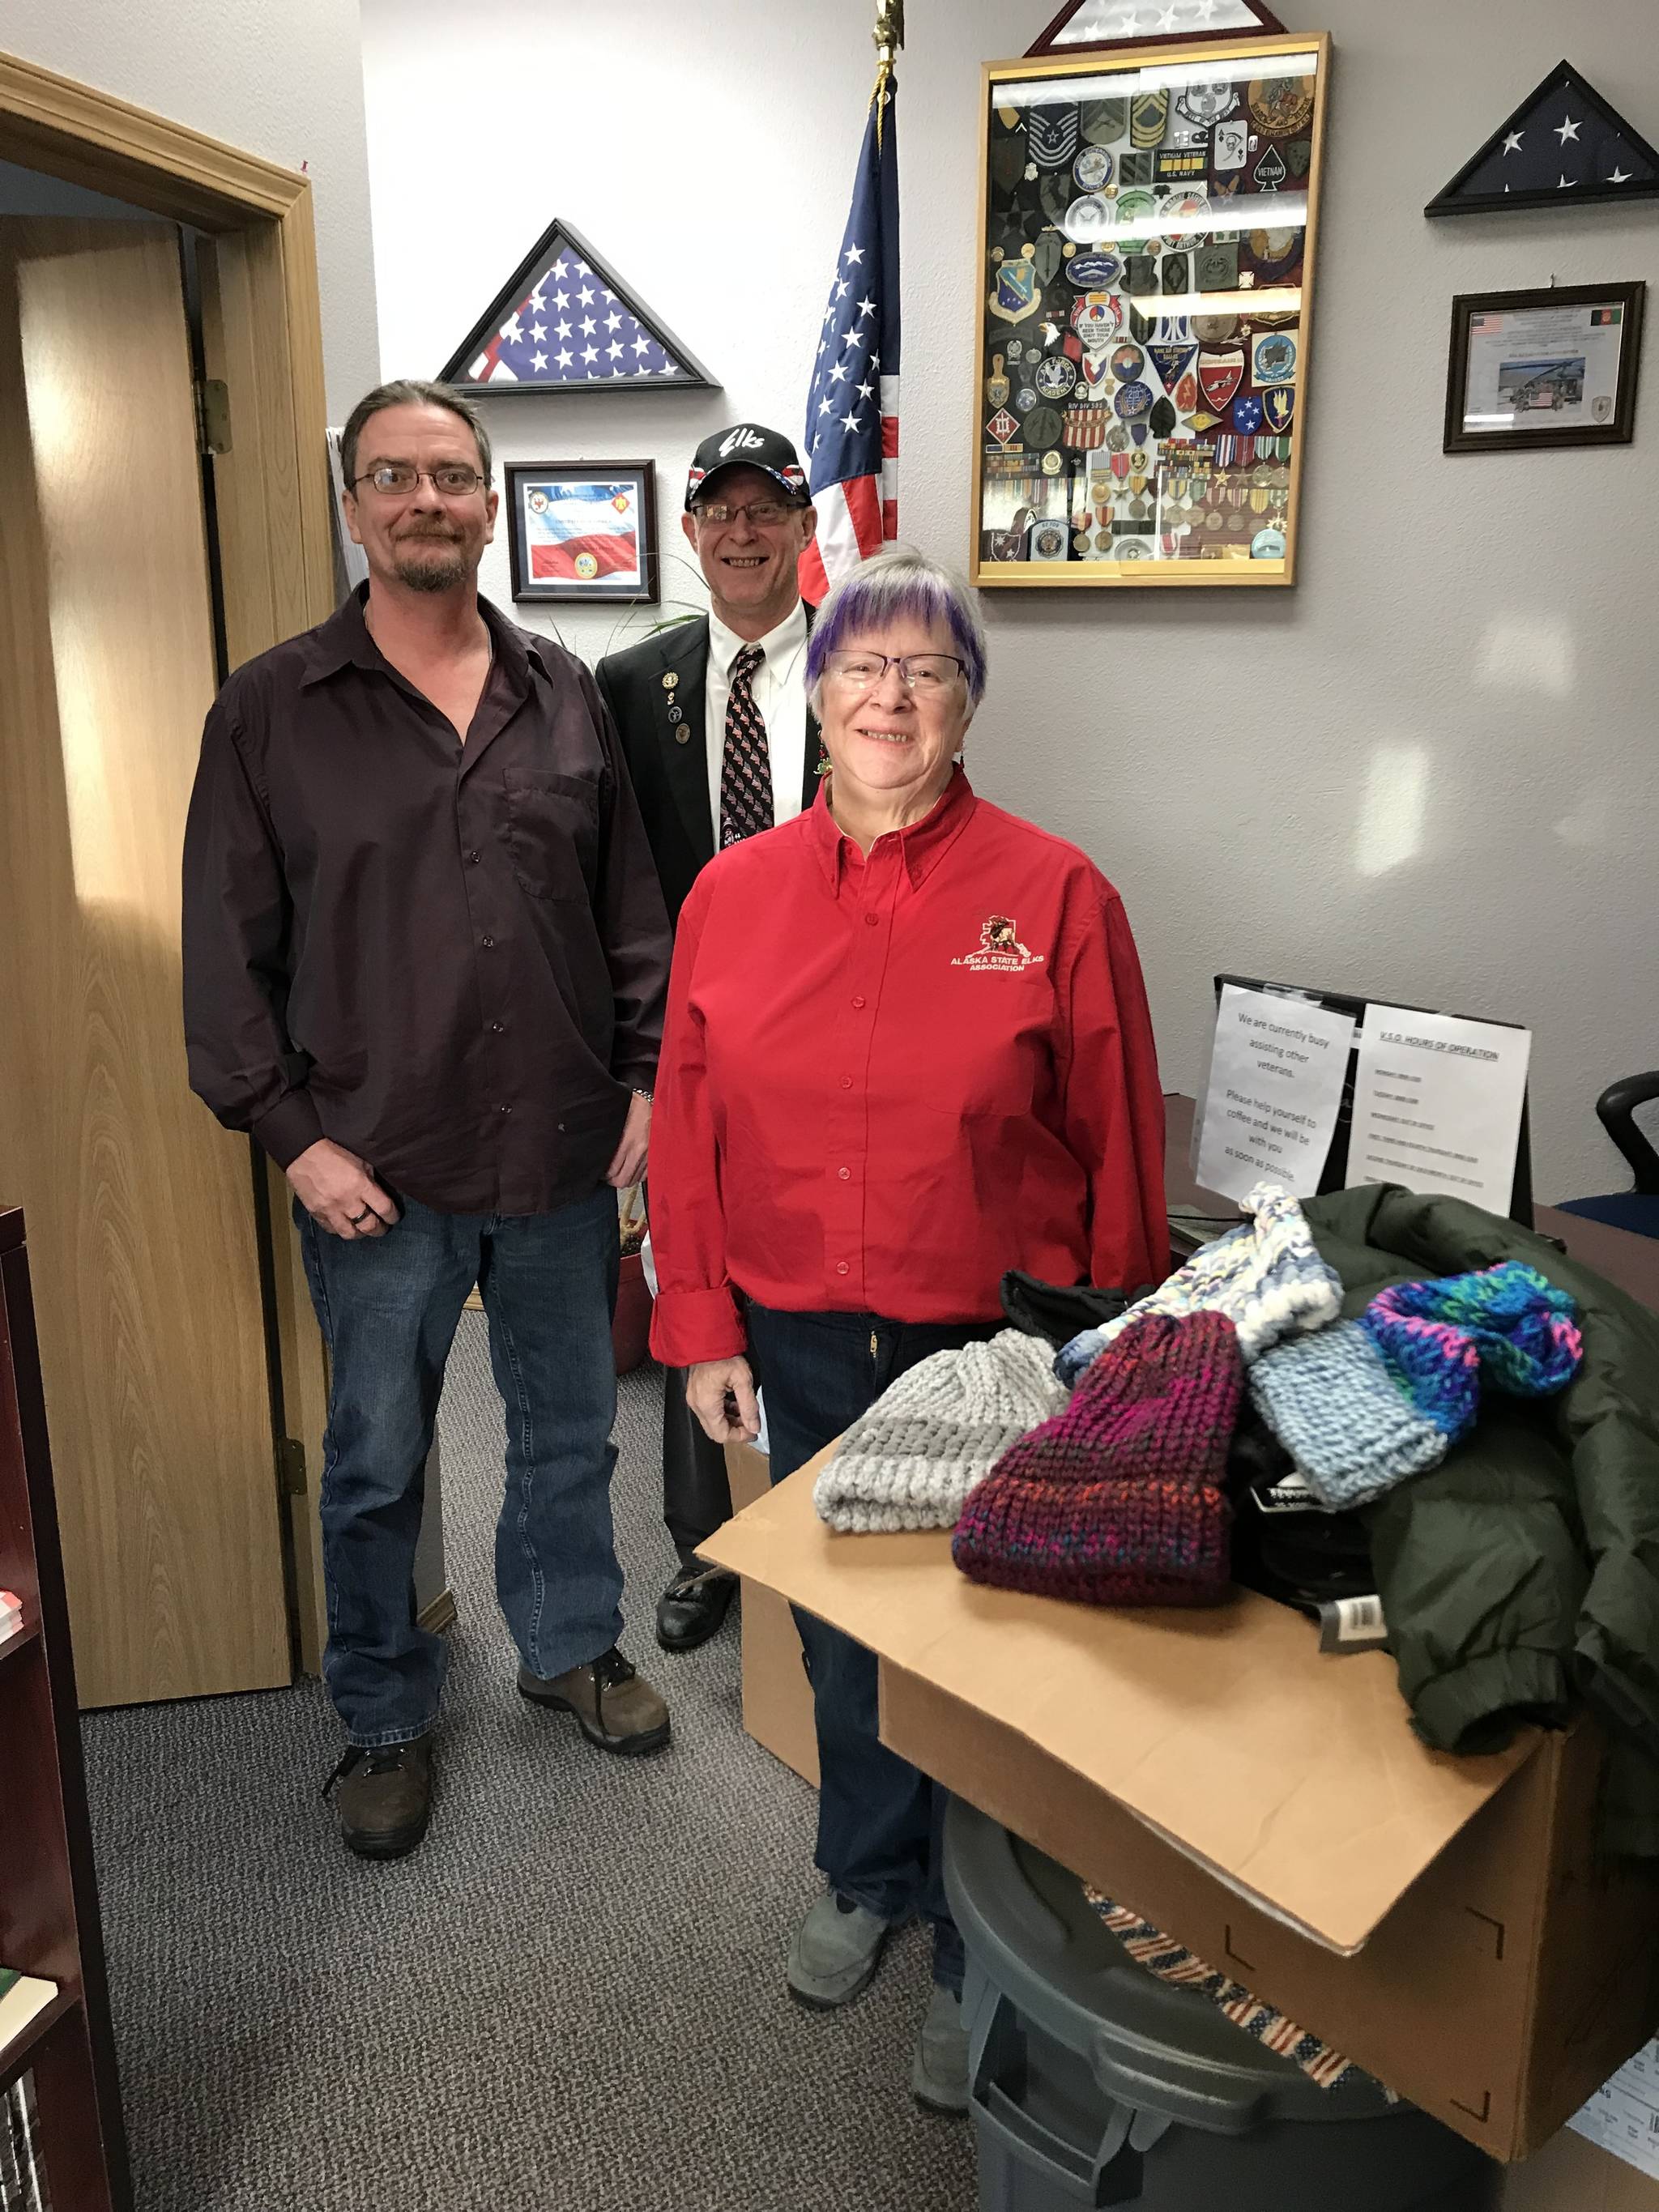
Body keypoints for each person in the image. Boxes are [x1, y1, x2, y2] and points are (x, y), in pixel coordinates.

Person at [646, 545, 1166, 2111]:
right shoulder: (732, 897)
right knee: (845, 1637)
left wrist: (1115, 1358)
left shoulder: (1056, 892)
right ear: (814, 693)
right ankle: (867, 1871)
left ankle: (971, 1942)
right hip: (798, 1336)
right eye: (863, 665)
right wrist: (700, 1328)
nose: (890, 694)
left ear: (965, 702)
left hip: (988, 1350)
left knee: (988, 1660)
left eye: (926, 670)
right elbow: (684, 1121)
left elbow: (1123, 1142)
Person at [182, 377, 675, 1863]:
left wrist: (646, 1080)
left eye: (452, 476)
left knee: (569, 1432)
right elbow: (225, 955)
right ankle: (385, 1719)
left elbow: (629, 910)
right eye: (393, 477)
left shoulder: (563, 689)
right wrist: (293, 1138)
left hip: (558, 1152)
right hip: (373, 1170)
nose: (425, 501)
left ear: (489, 500)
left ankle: (568, 1645)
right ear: (353, 505)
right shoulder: (273, 707)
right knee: (378, 1459)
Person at [595, 424, 821, 1655]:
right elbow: (609, 887)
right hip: (692, 1048)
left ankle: (825, 1525)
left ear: (804, 526)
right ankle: (707, 1550)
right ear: (691, 532)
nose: (742, 531)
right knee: (697, 1278)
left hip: (835, 1045)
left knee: (827, 1286)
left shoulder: (867, 665)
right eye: (719, 511)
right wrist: (633, 1064)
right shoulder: (635, 684)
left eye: (766, 508)